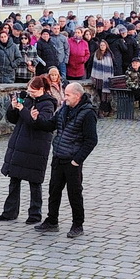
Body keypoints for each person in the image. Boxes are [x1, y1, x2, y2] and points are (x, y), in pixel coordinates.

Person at [38, 81, 98, 239]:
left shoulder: (88, 113)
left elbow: (91, 140)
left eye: (68, 95)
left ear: (78, 96)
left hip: (72, 160)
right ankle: (52, 220)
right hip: (59, 156)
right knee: (54, 190)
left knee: (75, 193)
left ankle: (78, 225)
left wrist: (77, 160)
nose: (64, 98)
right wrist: (37, 120)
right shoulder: (64, 109)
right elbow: (51, 125)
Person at [0, 74, 60, 224]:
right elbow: (13, 119)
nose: (30, 93)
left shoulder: (48, 104)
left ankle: (35, 214)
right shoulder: (27, 99)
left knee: (34, 182)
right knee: (14, 179)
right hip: (19, 145)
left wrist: (24, 111)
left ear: (42, 90)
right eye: (29, 91)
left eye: (33, 91)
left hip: (36, 147)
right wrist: (13, 108)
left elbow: (40, 124)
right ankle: (9, 212)